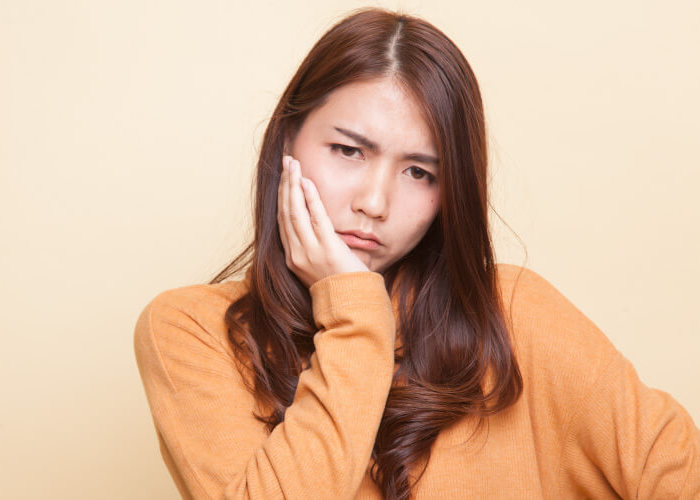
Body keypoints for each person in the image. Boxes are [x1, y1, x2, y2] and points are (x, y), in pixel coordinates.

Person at [133, 6, 700, 499]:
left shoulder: (514, 314)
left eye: (419, 172)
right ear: (287, 140)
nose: (375, 202)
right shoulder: (193, 331)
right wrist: (353, 311)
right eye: (349, 150)